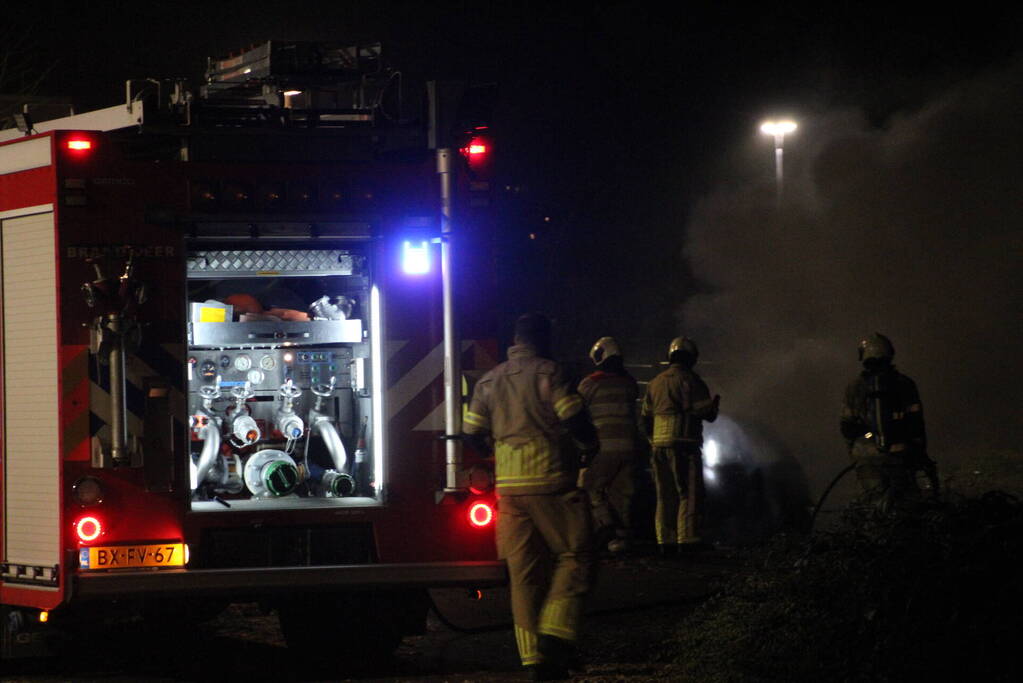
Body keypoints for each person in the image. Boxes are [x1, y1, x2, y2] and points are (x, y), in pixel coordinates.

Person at [463, 313, 598, 680]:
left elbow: (471, 432)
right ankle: (555, 637)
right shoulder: (550, 372)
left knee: (524, 577)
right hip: (552, 481)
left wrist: (499, 448)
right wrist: (590, 444)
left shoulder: (489, 380)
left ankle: (532, 662)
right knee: (577, 555)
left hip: (510, 491)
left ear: (516, 339)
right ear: (542, 339)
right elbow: (573, 419)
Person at [641, 336, 720, 556]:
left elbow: (645, 417)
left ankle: (664, 541)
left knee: (664, 494)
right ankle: (688, 541)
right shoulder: (691, 381)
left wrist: (651, 440)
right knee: (689, 493)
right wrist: (714, 405)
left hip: (658, 446)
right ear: (691, 358)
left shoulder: (655, 383)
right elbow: (707, 414)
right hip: (685, 445)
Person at [840, 333, 934, 507]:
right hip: (900, 454)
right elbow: (916, 424)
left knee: (873, 506)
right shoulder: (905, 384)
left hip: (867, 457)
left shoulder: (854, 387)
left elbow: (847, 427)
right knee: (907, 504)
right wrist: (919, 453)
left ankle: (877, 532)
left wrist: (865, 440)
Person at [578, 336, 640, 554]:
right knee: (622, 494)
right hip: (630, 447)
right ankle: (622, 542)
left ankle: (607, 528)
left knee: (590, 488)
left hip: (604, 448)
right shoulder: (630, 383)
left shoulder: (590, 383)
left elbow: (577, 412)